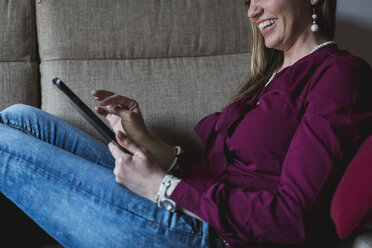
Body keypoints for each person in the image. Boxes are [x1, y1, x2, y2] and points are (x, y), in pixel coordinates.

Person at [0, 0, 371, 247]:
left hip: (213, 234)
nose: (252, 11)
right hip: (187, 200)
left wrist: (162, 187)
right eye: (249, 0)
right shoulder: (268, 77)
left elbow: (293, 217)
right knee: (21, 117)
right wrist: (141, 135)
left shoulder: (338, 74)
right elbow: (210, 167)